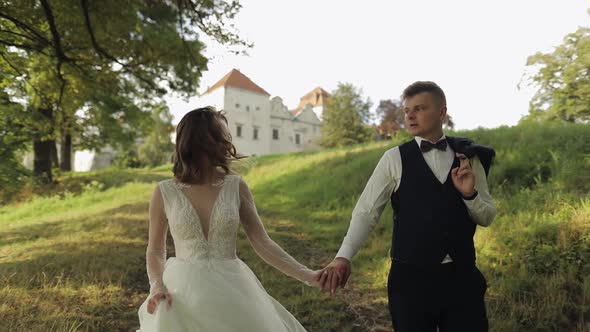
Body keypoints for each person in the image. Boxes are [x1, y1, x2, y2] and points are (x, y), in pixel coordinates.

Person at [317, 81, 497, 331]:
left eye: (419, 108)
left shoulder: (468, 157)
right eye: (406, 110)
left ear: (442, 112)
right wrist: (343, 257)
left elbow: (487, 216)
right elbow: (367, 211)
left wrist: (470, 195)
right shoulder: (393, 158)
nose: (410, 116)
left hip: (462, 278)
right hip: (410, 281)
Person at [137, 107, 321, 331]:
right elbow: (155, 250)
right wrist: (157, 285)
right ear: (199, 139)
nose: (227, 143)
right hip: (182, 292)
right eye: (221, 136)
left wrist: (309, 276)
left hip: (234, 289)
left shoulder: (236, 186)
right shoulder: (164, 191)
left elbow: (262, 242)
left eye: (227, 137)